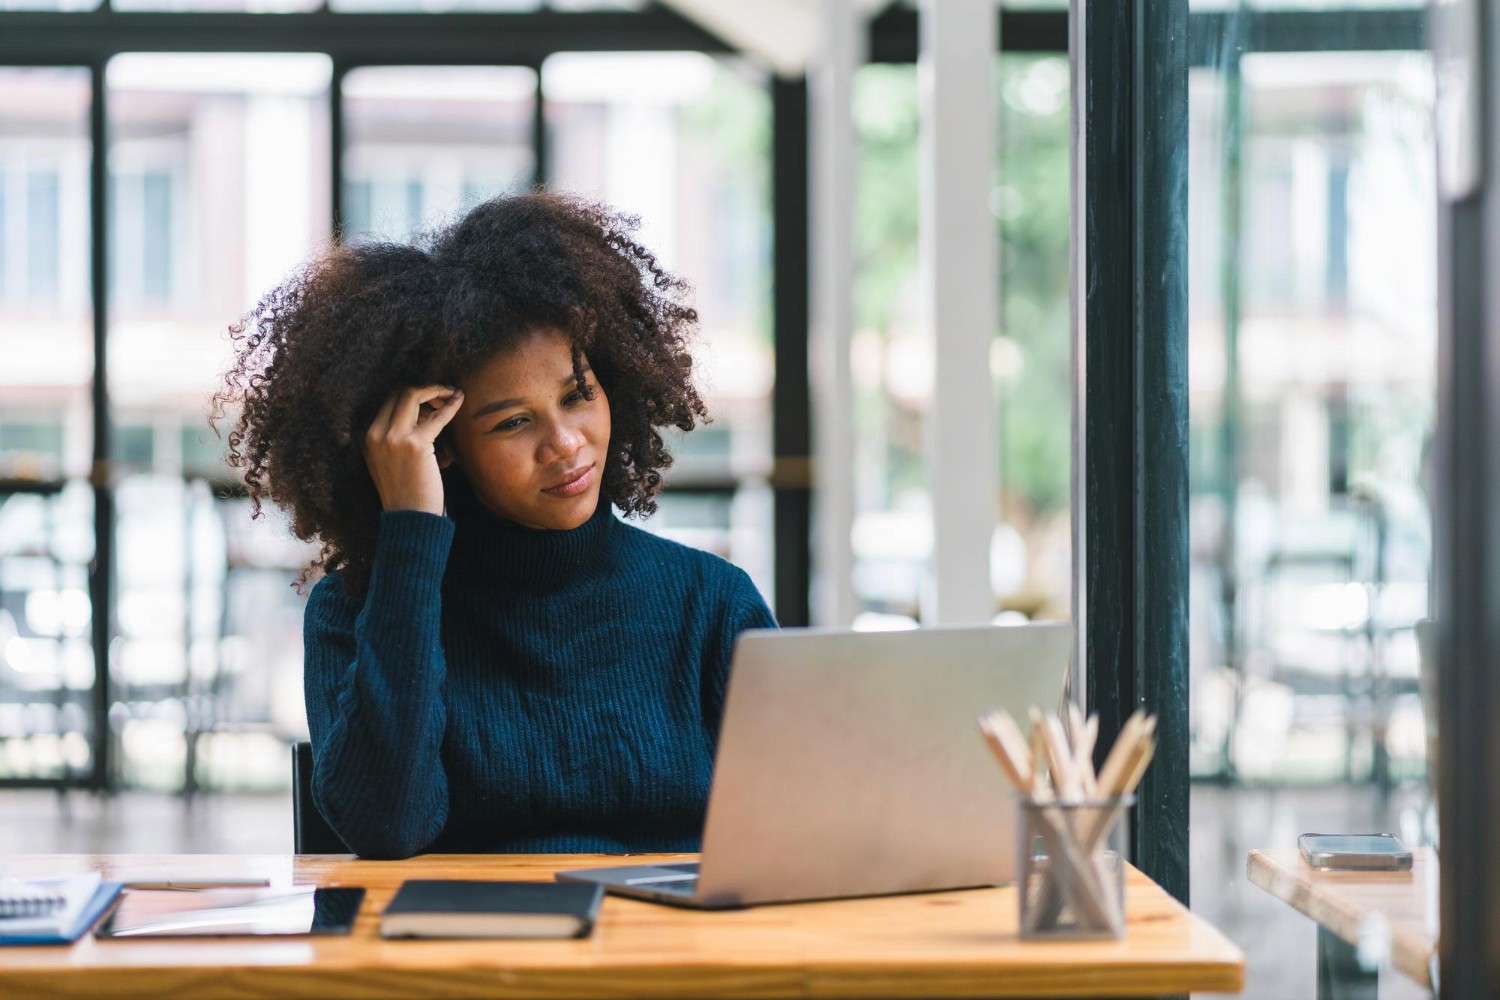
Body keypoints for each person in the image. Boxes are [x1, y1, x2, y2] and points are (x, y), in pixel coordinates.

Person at [214, 193, 777, 859]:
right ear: (440, 442)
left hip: (669, 955)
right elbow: (388, 827)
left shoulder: (709, 603)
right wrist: (411, 533)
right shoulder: (358, 611)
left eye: (577, 396)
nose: (565, 443)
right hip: (451, 957)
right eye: (514, 421)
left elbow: (796, 829)